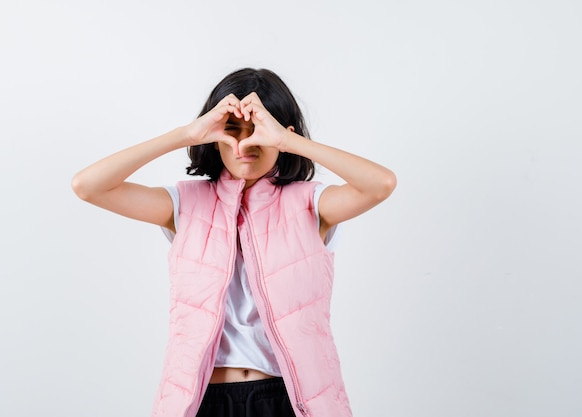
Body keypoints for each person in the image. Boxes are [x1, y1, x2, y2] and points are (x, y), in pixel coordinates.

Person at [72, 68, 396, 417]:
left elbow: (381, 184)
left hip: (288, 399)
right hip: (203, 401)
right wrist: (185, 135)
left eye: (258, 131)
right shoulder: (186, 204)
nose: (245, 145)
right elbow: (87, 186)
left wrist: (288, 141)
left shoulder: (311, 204)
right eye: (232, 130)